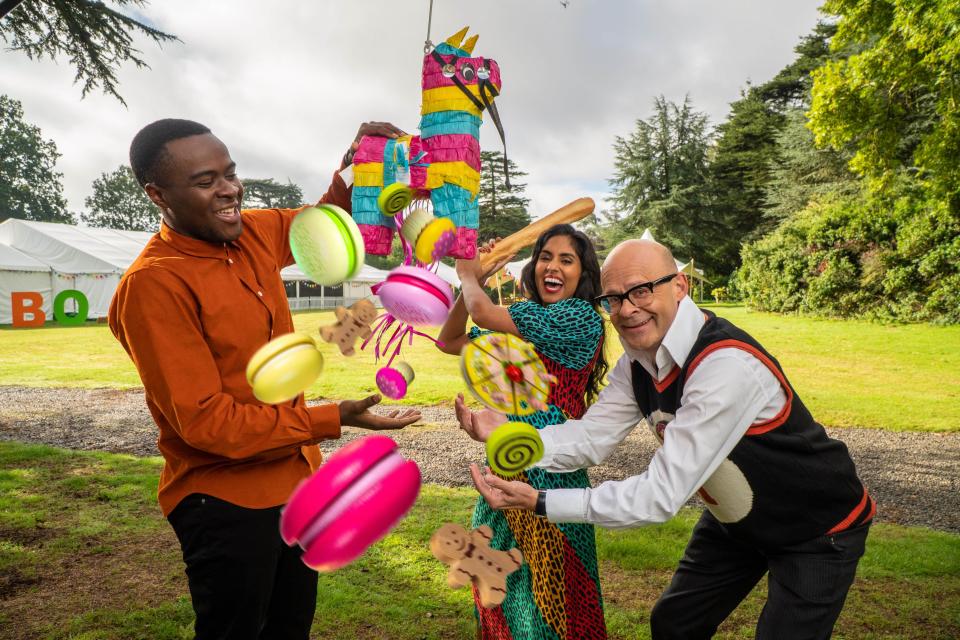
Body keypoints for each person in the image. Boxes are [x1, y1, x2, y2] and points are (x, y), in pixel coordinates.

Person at [457, 238, 875, 640]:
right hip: (736, 519)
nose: (627, 309)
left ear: (680, 286)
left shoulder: (724, 366)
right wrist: (516, 437)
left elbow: (657, 496)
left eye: (640, 290)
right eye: (614, 299)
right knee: (675, 624)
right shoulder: (638, 361)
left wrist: (540, 502)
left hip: (817, 528)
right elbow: (591, 437)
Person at [108, 118, 420, 640]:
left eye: (230, 173)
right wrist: (330, 417)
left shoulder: (253, 231)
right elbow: (207, 425)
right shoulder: (153, 285)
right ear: (157, 194)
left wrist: (356, 157)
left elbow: (327, 222)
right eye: (206, 182)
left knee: (289, 627)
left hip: (297, 486)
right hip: (224, 503)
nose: (229, 190)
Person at [438, 224, 610, 640]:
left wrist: (467, 272)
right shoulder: (524, 325)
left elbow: (481, 313)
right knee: (496, 590)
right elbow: (450, 339)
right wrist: (474, 280)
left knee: (550, 605)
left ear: (583, 273)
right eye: (545, 257)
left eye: (566, 260)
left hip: (551, 474)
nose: (552, 266)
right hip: (503, 473)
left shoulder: (579, 318)